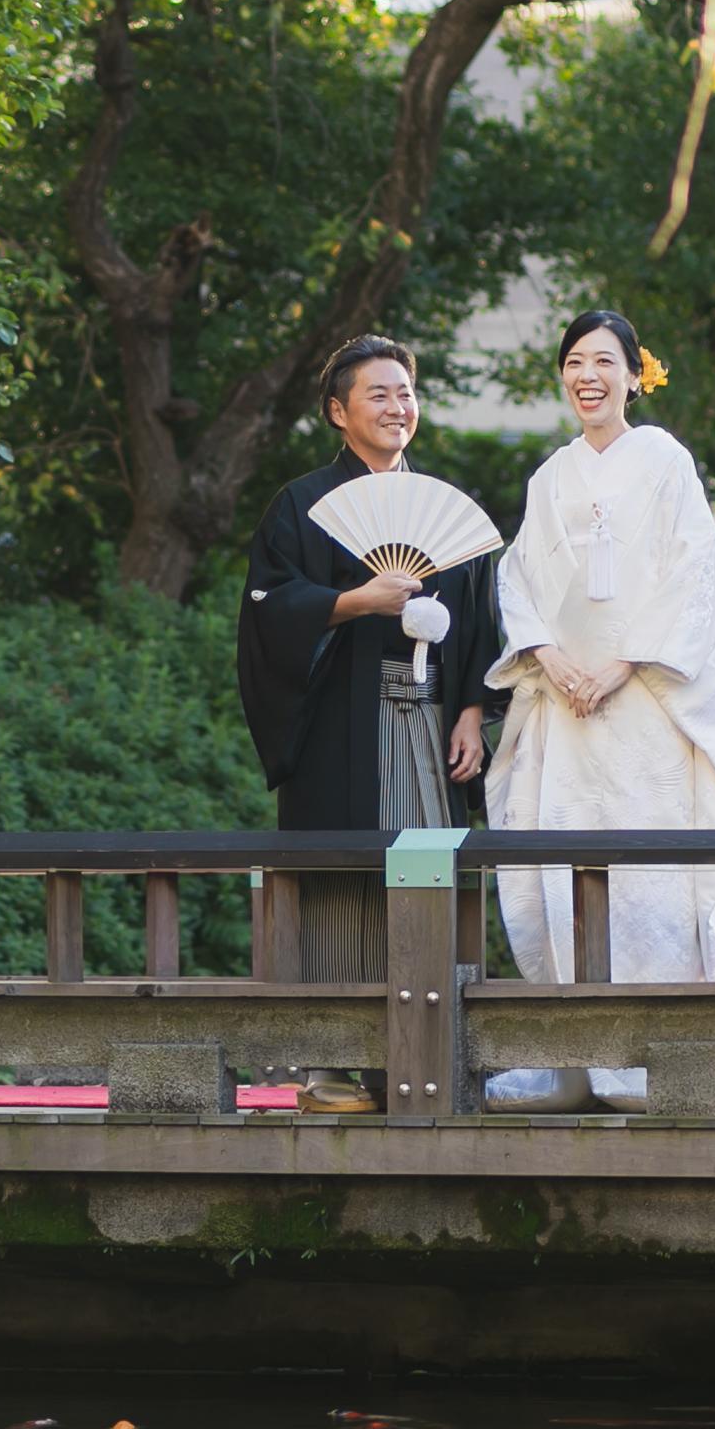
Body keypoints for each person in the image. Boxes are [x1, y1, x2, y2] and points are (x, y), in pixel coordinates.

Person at [479, 310, 715, 1110]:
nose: (586, 375)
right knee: (561, 865)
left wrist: (623, 662)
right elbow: (517, 578)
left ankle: (649, 1060)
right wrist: (553, 659)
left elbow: (695, 574)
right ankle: (572, 1056)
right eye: (572, 360)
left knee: (648, 873)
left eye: (603, 360)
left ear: (637, 373)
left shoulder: (665, 459)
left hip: (642, 707)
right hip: (567, 708)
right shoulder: (550, 475)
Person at [236, 335, 493, 1111]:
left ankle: (429, 1053)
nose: (397, 406)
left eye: (406, 391)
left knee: (430, 876)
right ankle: (332, 1067)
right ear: (337, 411)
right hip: (341, 721)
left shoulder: (446, 510)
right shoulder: (303, 504)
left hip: (430, 716)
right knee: (344, 880)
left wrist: (475, 712)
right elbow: (266, 613)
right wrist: (355, 601)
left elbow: (483, 619)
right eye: (378, 393)